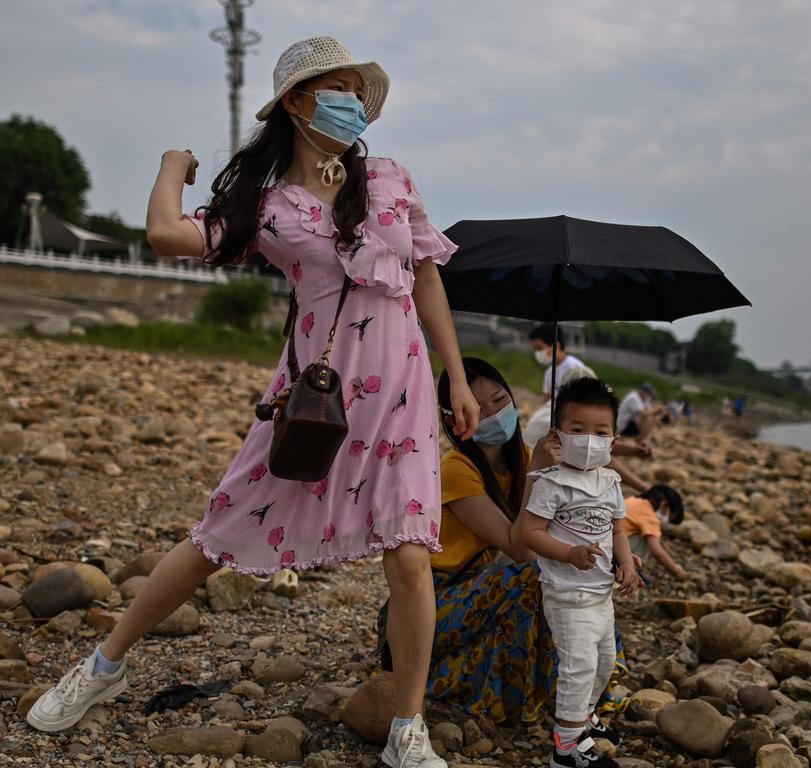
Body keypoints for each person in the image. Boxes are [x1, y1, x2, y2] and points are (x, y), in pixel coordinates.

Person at [27, 37, 478, 768]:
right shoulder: (269, 208)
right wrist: (171, 170)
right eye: (336, 90)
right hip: (315, 399)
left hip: (401, 393)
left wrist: (454, 376)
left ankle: (407, 727)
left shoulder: (391, 179)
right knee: (217, 537)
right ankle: (104, 665)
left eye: (358, 93)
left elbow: (426, 277)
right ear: (297, 103)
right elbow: (167, 234)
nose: (353, 105)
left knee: (409, 555)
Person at [426, 358, 627, 726]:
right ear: (455, 416)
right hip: (442, 598)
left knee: (574, 581)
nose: (492, 413)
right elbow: (519, 547)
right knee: (534, 578)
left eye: (500, 400)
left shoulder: (524, 457)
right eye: (477, 406)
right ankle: (515, 695)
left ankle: (575, 686)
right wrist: (538, 475)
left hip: (489, 583)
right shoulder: (457, 469)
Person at [513, 377, 640, 768]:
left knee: (603, 663)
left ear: (613, 440)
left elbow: (618, 528)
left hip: (601, 595)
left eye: (600, 432)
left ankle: (583, 719)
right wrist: (568, 553)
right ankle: (566, 748)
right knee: (578, 665)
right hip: (567, 595)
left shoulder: (610, 481)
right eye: (578, 430)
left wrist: (627, 562)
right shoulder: (551, 483)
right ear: (558, 436)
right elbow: (530, 533)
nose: (589, 440)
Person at [523, 366, 651, 493]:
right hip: (532, 478)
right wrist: (645, 488)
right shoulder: (558, 420)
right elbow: (600, 452)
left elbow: (600, 443)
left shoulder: (554, 409)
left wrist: (633, 450)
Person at [623, 484, 687, 583]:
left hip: (603, 541)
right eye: (669, 517)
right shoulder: (649, 516)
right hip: (613, 551)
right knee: (647, 538)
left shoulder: (633, 501)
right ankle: (631, 570)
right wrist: (678, 572)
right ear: (665, 505)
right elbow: (656, 551)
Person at [529, 322, 587, 396]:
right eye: (535, 350)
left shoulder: (576, 369)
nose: (537, 353)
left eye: (539, 348)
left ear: (556, 346)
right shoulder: (549, 373)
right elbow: (546, 399)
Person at [617, 382, 667, 448]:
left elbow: (649, 410)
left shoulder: (641, 398)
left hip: (628, 424)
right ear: (643, 391)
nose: (649, 397)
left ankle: (645, 439)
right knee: (647, 418)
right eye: (648, 394)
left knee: (650, 417)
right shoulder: (633, 398)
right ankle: (643, 441)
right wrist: (657, 408)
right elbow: (644, 414)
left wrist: (656, 415)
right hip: (622, 427)